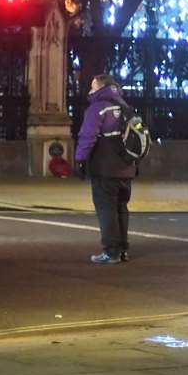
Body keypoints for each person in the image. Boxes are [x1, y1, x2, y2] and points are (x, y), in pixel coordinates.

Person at [73, 74, 138, 264]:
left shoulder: (98, 108)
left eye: (93, 87)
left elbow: (87, 136)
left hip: (105, 168)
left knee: (106, 209)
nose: (90, 91)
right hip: (126, 167)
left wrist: (80, 160)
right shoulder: (126, 107)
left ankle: (111, 251)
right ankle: (123, 249)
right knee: (121, 208)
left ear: (100, 88)